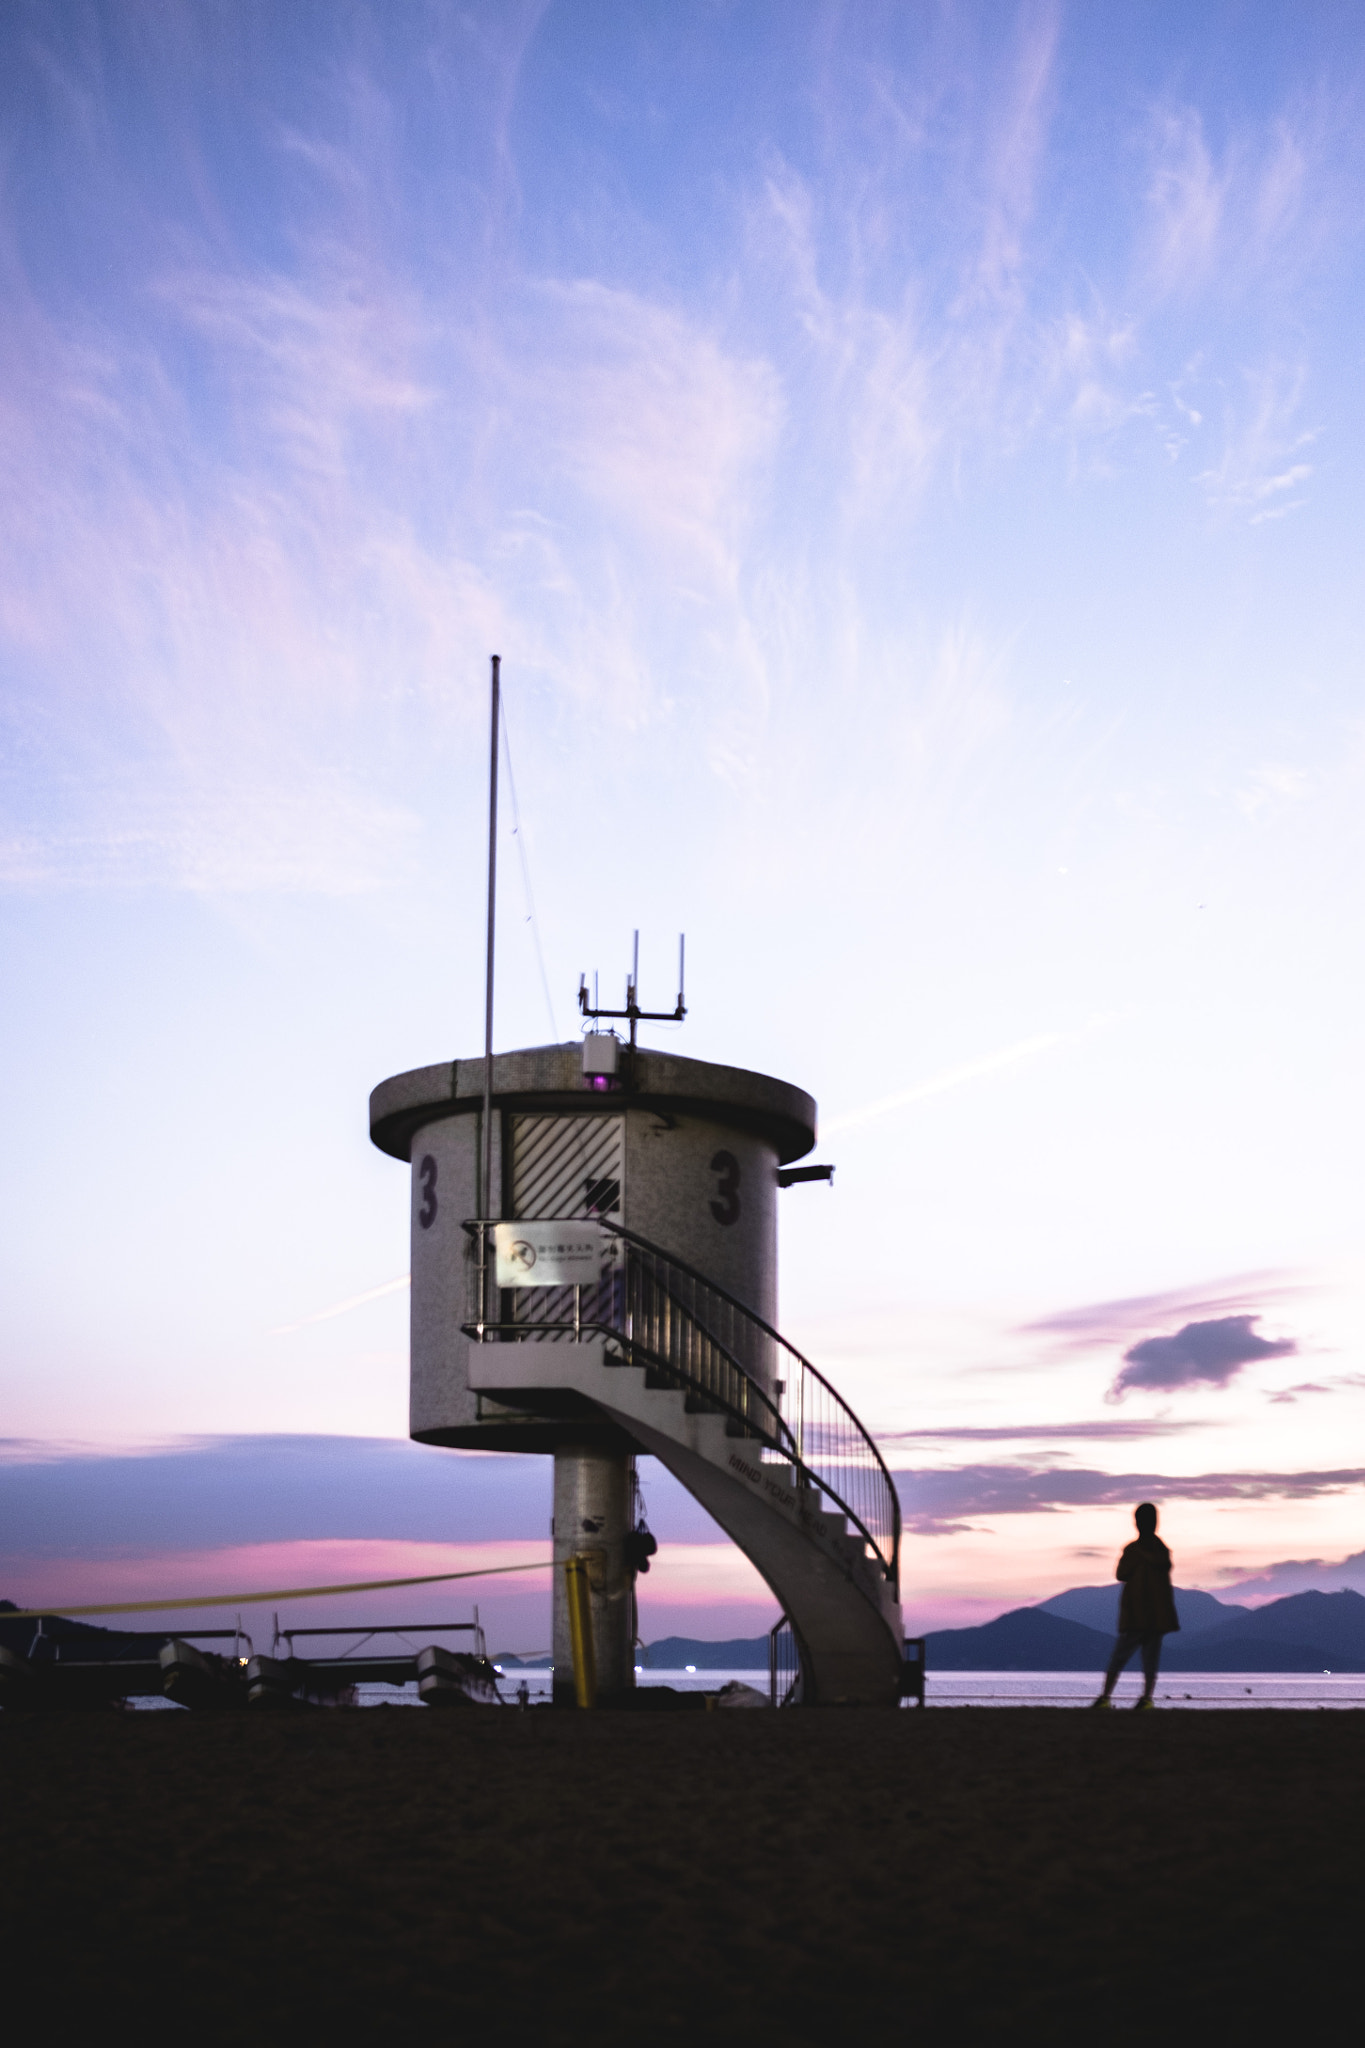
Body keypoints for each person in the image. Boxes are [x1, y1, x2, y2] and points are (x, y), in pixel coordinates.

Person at [1091, 1502, 1180, 1710]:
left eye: (1148, 1521)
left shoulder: (1158, 1550)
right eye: (1143, 1521)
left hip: (1152, 1615)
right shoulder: (1136, 1549)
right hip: (1138, 1614)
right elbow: (1121, 1573)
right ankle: (1107, 1697)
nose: (1145, 1525)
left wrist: (1142, 1555)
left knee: (1145, 1659)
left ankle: (1143, 1698)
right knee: (1122, 1658)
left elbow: (1162, 1565)